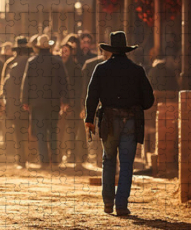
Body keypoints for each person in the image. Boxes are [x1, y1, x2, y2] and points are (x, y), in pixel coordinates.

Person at [85, 31, 155, 216]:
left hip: (108, 121)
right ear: (126, 50)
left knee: (108, 161)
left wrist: (89, 120)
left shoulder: (101, 69)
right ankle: (121, 205)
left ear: (111, 50)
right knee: (126, 164)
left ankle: (108, 203)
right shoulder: (138, 70)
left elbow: (92, 96)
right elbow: (148, 101)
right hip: (131, 120)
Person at [21, 35, 68, 168]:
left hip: (37, 104)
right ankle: (55, 160)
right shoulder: (57, 61)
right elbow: (64, 82)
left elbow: (26, 84)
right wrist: (65, 100)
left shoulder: (32, 62)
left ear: (37, 48)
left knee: (41, 132)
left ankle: (44, 161)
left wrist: (25, 101)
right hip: (53, 103)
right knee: (53, 131)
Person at [0, 35, 32, 166]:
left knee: (18, 133)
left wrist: (2, 101)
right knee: (31, 132)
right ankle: (31, 157)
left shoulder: (9, 63)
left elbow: (3, 86)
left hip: (14, 105)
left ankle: (21, 159)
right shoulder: (32, 61)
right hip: (29, 104)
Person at [60, 42, 85, 164]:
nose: (64, 54)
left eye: (66, 51)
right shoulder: (58, 66)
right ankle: (62, 154)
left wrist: (71, 103)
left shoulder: (75, 68)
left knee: (72, 132)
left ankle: (73, 154)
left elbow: (78, 88)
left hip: (72, 105)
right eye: (62, 51)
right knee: (61, 132)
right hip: (60, 105)